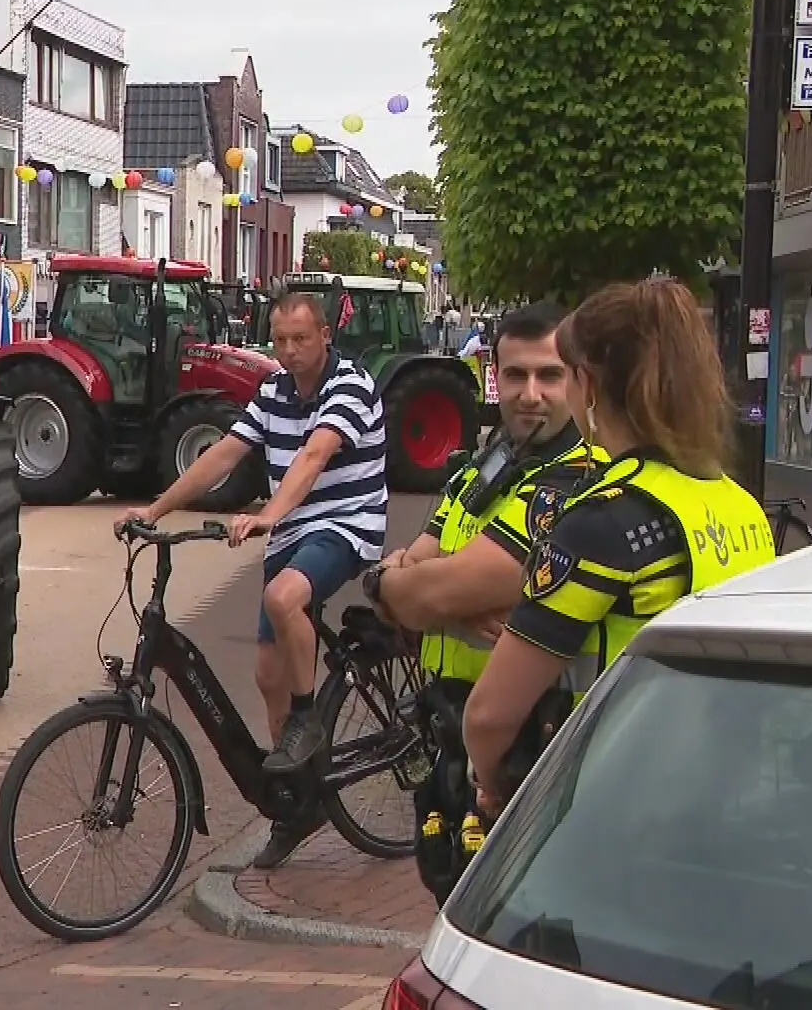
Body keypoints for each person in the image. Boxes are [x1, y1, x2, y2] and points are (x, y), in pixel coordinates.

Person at [462, 275, 777, 823]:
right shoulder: (740, 504)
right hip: (727, 791)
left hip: (619, 804)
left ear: (587, 384)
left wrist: (490, 784)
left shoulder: (604, 519)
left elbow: (489, 716)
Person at [119, 291, 388, 870]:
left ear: (325, 336)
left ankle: (308, 721)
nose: (289, 351)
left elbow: (314, 456)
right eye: (280, 340)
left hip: (345, 524)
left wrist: (269, 514)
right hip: (292, 531)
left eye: (301, 339)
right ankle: (298, 803)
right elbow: (224, 454)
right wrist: (156, 509)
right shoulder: (272, 392)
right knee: (268, 676)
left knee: (283, 596)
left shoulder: (351, 386)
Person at [358, 300, 605, 904]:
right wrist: (434, 599)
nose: (530, 394)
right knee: (449, 894)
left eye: (549, 376)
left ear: (579, 380)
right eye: (515, 374)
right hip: (448, 728)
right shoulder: (485, 467)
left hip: (524, 737)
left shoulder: (580, 479)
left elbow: (425, 585)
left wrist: (420, 594)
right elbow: (408, 572)